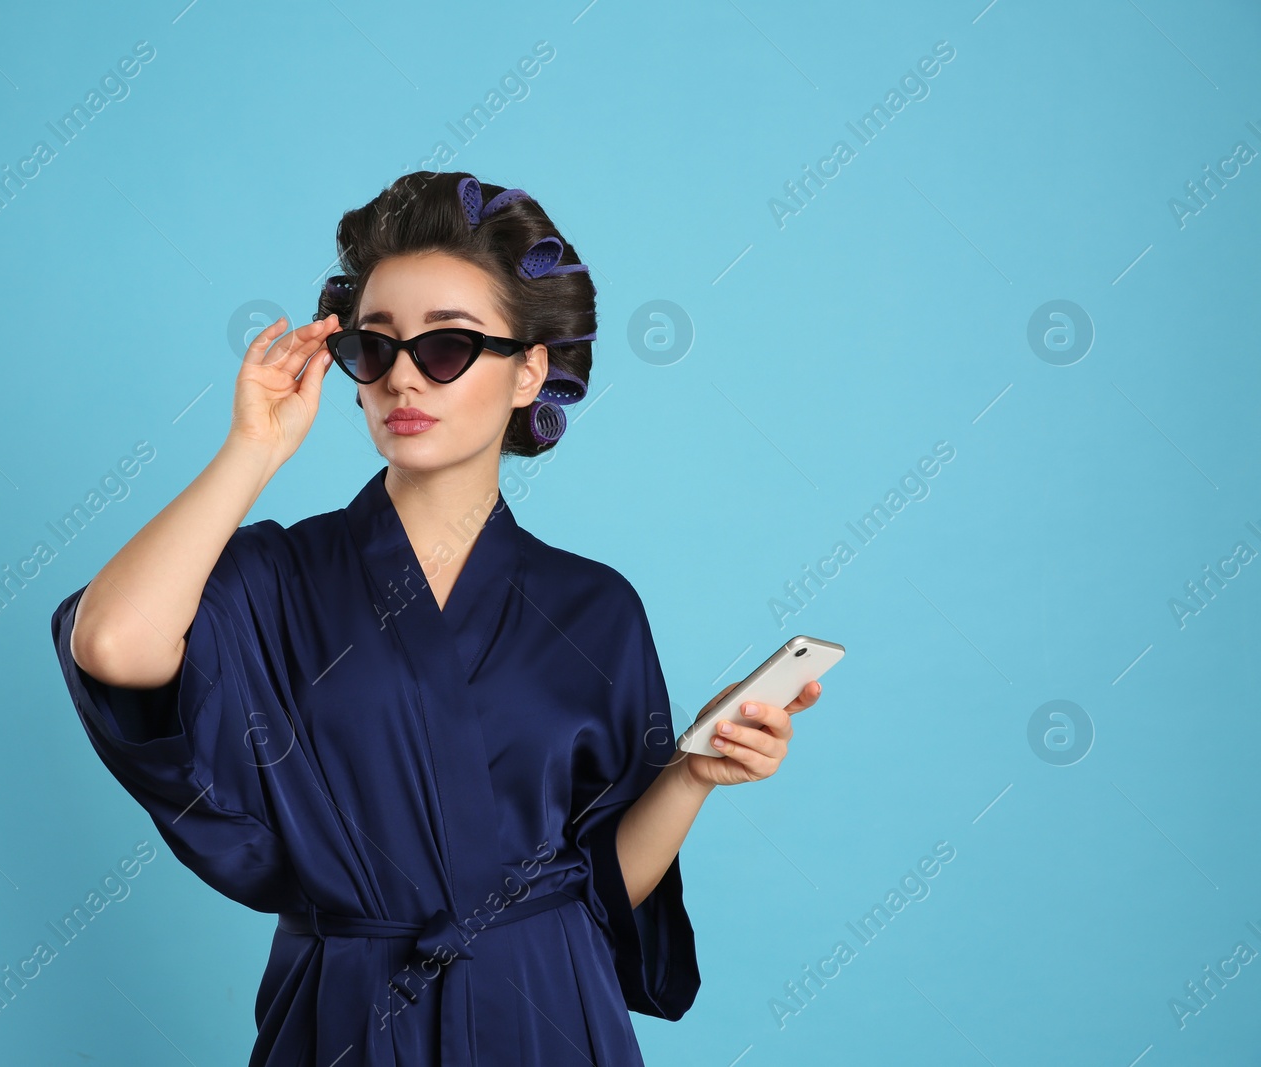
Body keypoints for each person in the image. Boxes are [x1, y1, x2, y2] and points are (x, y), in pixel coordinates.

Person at [49, 172, 820, 1066]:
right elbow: (111, 643)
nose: (402, 378)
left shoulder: (594, 606)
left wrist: (693, 771)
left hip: (547, 1009)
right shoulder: (277, 575)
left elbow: (603, 887)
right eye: (373, 350)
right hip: (345, 1016)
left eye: (446, 347)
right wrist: (252, 449)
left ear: (530, 365)